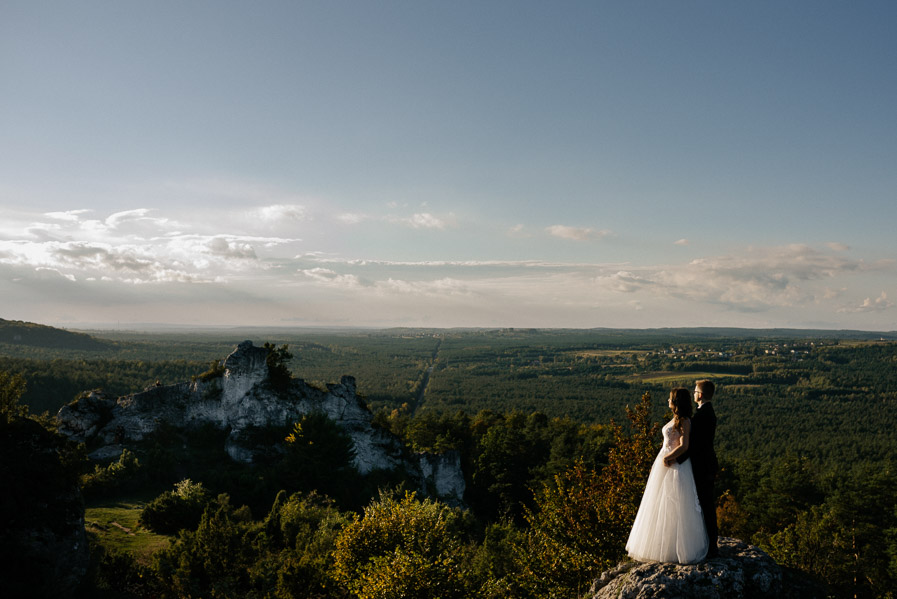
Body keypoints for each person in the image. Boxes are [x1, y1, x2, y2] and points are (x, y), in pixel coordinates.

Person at [626, 388, 709, 564]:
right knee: (660, 504)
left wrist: (669, 457)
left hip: (677, 465)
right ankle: (662, 546)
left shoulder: (685, 421)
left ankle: (677, 550)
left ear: (676, 402)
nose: (667, 401)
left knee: (676, 504)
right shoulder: (677, 419)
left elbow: (684, 445)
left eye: (670, 399)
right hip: (666, 464)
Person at [676, 379, 719, 557]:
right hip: (706, 464)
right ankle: (709, 544)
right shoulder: (706, 413)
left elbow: (695, 444)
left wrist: (677, 460)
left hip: (703, 466)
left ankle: (711, 547)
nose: (693, 394)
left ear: (700, 395)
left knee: (706, 505)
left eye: (695, 391)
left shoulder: (702, 416)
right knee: (705, 504)